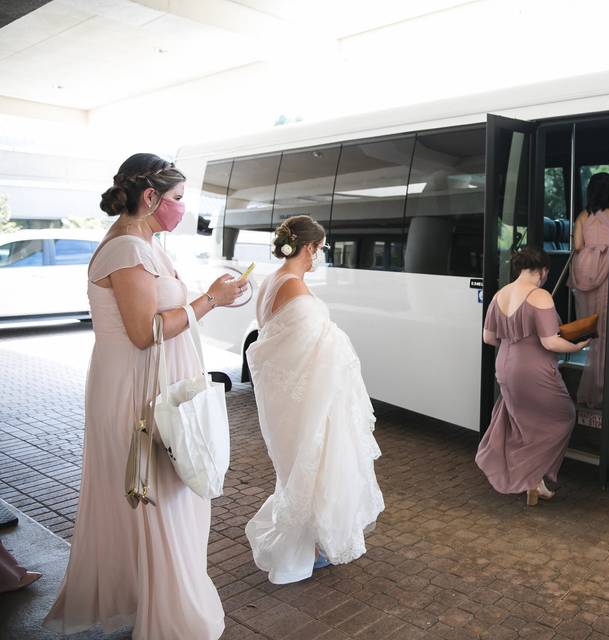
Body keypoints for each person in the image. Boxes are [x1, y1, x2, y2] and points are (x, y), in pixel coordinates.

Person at [44, 153, 245, 639]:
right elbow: (145, 331)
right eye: (176, 199)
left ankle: (157, 597)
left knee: (164, 495)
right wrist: (212, 299)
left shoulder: (145, 244)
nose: (181, 208)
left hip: (149, 382)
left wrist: (214, 297)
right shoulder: (127, 251)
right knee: (158, 496)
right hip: (136, 388)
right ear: (151, 198)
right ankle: (167, 614)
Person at [245, 215, 384, 585]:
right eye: (320, 249)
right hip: (306, 400)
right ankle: (305, 547)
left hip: (285, 398)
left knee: (296, 470)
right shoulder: (294, 287)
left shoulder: (270, 282)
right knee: (312, 467)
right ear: (308, 248)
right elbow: (317, 347)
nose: (319, 256)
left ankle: (311, 540)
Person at [476, 247, 590, 506]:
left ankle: (534, 483)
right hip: (533, 369)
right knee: (564, 416)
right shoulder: (540, 296)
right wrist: (578, 345)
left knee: (524, 424)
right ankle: (527, 474)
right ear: (543, 271)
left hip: (504, 367)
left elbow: (488, 338)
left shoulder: (500, 294)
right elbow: (550, 342)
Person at [569, 172, 609, 408]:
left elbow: (577, 246)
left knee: (589, 330)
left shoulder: (583, 216)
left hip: (583, 271)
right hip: (605, 271)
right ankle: (600, 388)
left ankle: (586, 388)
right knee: (604, 331)